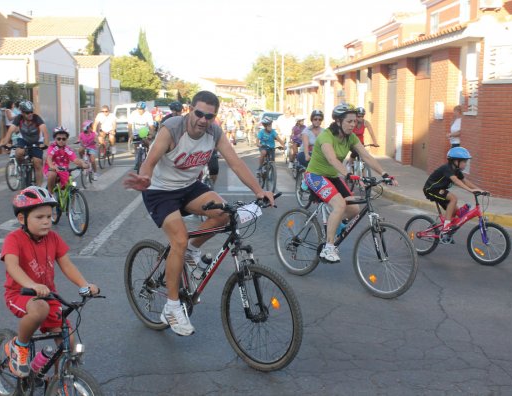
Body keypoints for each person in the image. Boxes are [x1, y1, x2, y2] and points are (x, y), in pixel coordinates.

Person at [123, 90, 275, 336]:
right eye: (199, 113)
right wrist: (145, 177)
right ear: (189, 110)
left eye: (210, 116)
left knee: (224, 213)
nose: (203, 120)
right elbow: (150, 162)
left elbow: (235, 162)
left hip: (189, 187)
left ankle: (191, 253)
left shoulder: (214, 132)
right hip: (160, 191)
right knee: (179, 240)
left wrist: (259, 191)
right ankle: (172, 307)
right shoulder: (172, 129)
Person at [1, 186, 99, 378]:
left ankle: (57, 382)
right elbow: (12, 266)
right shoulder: (13, 239)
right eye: (40, 217)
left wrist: (84, 285)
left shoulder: (53, 238)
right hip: (20, 294)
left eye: (49, 216)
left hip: (48, 296)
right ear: (22, 219)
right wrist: (32, 285)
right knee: (40, 310)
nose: (46, 221)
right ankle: (18, 346)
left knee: (68, 343)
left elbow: (67, 265)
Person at [304, 104, 397, 263]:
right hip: (315, 175)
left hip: (332, 176)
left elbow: (366, 156)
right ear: (339, 121)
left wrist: (384, 173)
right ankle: (328, 247)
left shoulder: (351, 137)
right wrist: (348, 173)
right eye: (350, 121)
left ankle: (335, 225)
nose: (353, 125)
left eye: (355, 121)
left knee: (354, 209)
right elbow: (332, 159)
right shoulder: (326, 136)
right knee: (340, 205)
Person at [423, 147, 483, 236]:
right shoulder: (447, 168)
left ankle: (447, 229)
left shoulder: (457, 171)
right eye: (464, 162)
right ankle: (446, 227)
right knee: (453, 198)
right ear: (456, 161)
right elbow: (456, 181)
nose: (465, 164)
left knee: (455, 211)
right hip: (431, 189)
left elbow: (465, 181)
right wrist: (470, 190)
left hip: (440, 191)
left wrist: (480, 190)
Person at [0, 100, 49, 186]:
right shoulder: (19, 118)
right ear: (22, 112)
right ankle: (21, 167)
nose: (30, 114)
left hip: (36, 141)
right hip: (24, 139)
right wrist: (5, 142)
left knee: (37, 162)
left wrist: (45, 144)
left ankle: (38, 188)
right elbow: (11, 130)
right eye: (27, 112)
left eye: (31, 112)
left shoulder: (37, 118)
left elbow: (45, 131)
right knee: (19, 152)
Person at [43, 126, 88, 193]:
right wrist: (52, 167)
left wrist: (83, 164)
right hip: (51, 168)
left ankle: (71, 198)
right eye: (59, 139)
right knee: (52, 174)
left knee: (71, 185)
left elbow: (75, 159)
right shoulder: (52, 147)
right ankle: (50, 194)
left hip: (63, 170)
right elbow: (49, 158)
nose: (61, 140)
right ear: (55, 139)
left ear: (66, 139)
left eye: (63, 139)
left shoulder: (67, 149)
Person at [346, 107, 379, 172]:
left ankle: (364, 177)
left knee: (364, 157)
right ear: (356, 116)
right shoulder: (352, 122)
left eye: (362, 116)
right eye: (358, 116)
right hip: (351, 142)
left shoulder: (366, 123)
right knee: (355, 152)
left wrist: (375, 142)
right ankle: (349, 164)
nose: (360, 118)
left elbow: (371, 133)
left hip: (360, 143)